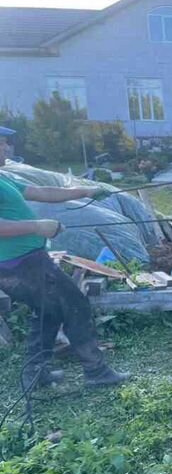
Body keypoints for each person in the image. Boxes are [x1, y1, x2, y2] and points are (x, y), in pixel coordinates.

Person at [0, 127, 130, 389]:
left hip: (27, 260)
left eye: (6, 143)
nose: (7, 148)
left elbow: (44, 192)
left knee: (48, 311)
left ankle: (36, 375)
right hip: (18, 264)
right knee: (75, 304)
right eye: (1, 144)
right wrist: (37, 227)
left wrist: (86, 191)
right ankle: (96, 371)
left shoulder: (4, 178)